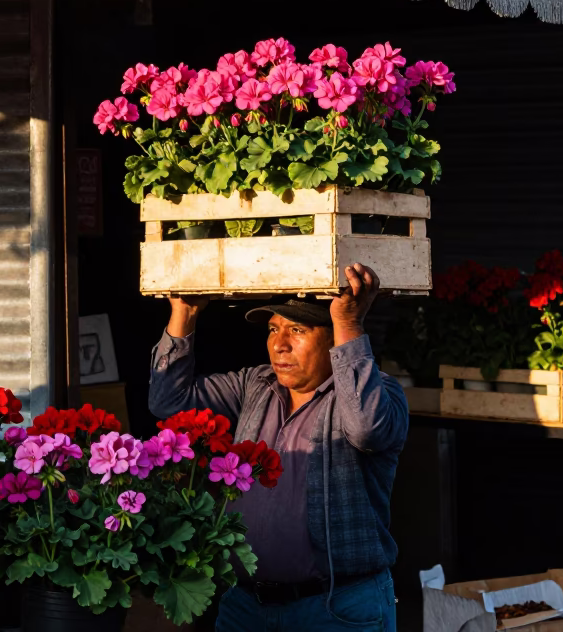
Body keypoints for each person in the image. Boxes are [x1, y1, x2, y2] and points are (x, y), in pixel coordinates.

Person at [148, 262, 408, 631]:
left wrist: (349, 323)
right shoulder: (256, 383)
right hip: (247, 606)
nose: (279, 344)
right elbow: (168, 402)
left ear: (333, 339)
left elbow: (367, 430)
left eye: (297, 329)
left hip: (338, 608)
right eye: (273, 329)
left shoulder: (378, 392)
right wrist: (183, 313)